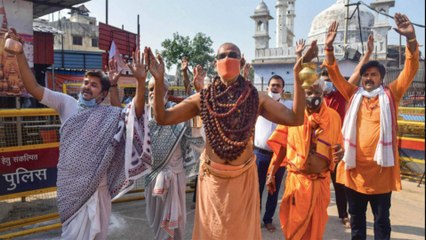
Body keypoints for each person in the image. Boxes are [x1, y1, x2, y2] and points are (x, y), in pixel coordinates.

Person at [146, 41, 317, 239]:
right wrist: (158, 81)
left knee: (241, 233)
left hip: (243, 180)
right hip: (212, 180)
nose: (228, 59)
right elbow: (163, 118)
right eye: (223, 56)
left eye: (233, 55)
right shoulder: (202, 98)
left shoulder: (256, 98)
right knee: (211, 231)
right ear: (215, 63)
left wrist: (299, 73)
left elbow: (295, 118)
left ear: (241, 60)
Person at [7, 29, 152, 239]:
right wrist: (19, 55)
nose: (87, 87)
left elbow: (132, 115)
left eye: (93, 85)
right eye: (86, 82)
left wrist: (139, 82)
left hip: (97, 191)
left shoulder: (109, 115)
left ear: (102, 94)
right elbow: (33, 87)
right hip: (70, 189)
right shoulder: (67, 104)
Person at [323, 15, 419, 239]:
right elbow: (335, 76)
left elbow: (411, 69)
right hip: (354, 172)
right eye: (365, 75)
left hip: (381, 173)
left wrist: (411, 39)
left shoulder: (391, 94)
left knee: (382, 223)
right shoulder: (352, 94)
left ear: (381, 78)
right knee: (356, 224)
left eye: (373, 74)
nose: (367, 78)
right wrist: (328, 48)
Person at [266, 75, 344, 239]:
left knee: (315, 229)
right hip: (298, 182)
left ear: (323, 93)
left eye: (316, 92)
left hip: (321, 181)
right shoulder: (293, 116)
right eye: (308, 92)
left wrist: (341, 152)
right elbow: (281, 147)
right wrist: (272, 173)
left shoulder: (334, 117)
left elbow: (339, 145)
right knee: (294, 228)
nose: (313, 96)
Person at [321, 33, 374, 228]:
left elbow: (358, 72)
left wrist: (367, 54)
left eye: (328, 80)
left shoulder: (342, 93)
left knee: (340, 185)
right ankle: (316, 212)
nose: (325, 83)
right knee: (317, 183)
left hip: (337, 147)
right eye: (322, 81)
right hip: (319, 147)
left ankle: (345, 215)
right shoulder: (315, 100)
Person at [254, 74, 293, 232]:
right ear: (267, 87)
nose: (275, 88)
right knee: (256, 189)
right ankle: (254, 219)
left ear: (283, 89)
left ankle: (268, 219)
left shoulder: (288, 106)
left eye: (278, 85)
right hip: (259, 154)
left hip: (279, 156)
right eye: (273, 85)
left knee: (273, 190)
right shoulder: (259, 105)